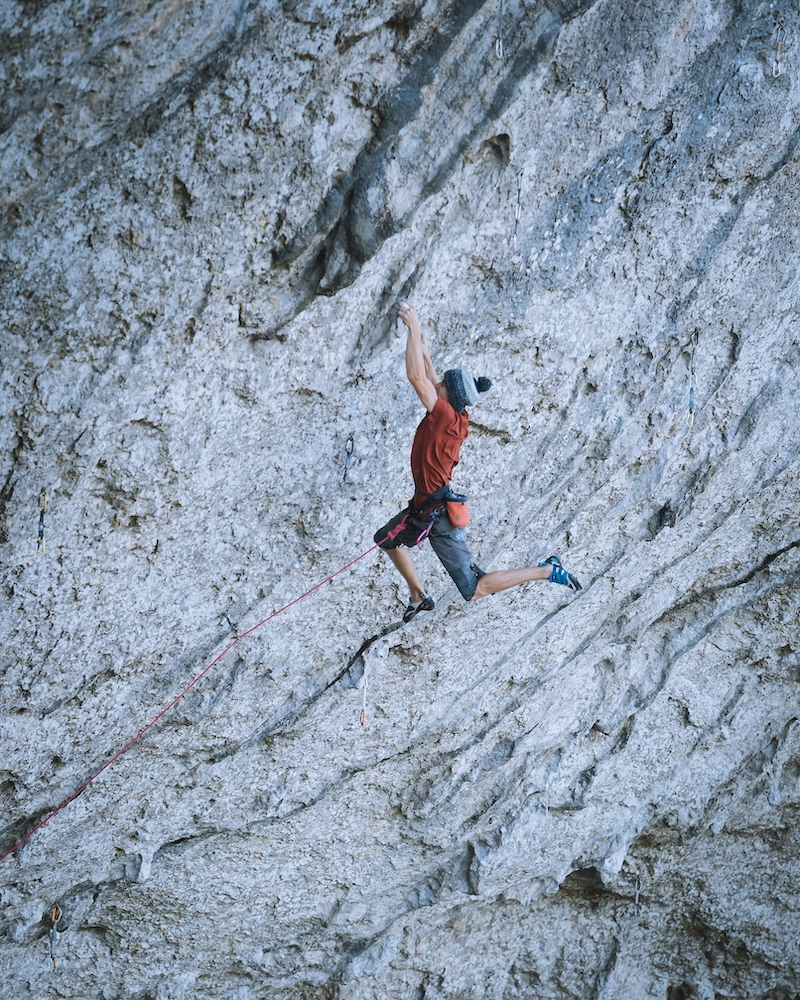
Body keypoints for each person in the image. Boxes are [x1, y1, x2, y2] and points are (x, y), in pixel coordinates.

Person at [374, 300, 582, 622]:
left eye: (440, 386)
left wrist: (414, 329)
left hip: (438, 518)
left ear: (446, 398)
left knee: (475, 588)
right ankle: (419, 595)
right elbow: (431, 377)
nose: (435, 384)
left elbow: (417, 377)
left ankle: (546, 571)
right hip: (427, 507)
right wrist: (425, 350)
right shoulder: (456, 414)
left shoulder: (443, 415)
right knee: (386, 539)